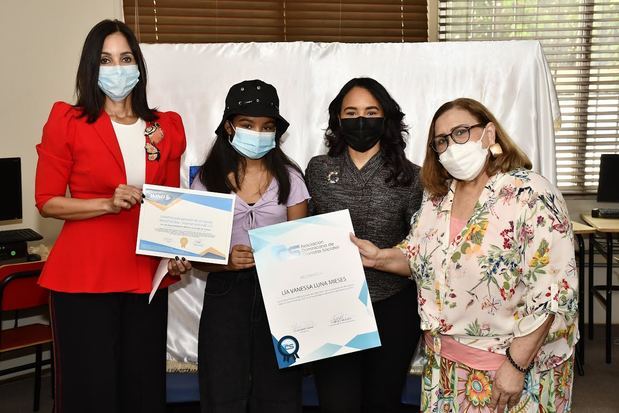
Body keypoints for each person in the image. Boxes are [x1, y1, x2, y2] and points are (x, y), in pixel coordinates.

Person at [351, 98, 578, 413]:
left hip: (513, 371)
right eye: (441, 141)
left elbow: (553, 291)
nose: (451, 147)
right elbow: (417, 257)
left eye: (460, 133)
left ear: (488, 133)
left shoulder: (530, 193)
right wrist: (377, 257)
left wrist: (516, 365)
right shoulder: (438, 196)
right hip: (445, 367)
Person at [34, 20, 187, 413]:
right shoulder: (68, 121)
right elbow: (47, 201)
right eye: (105, 59)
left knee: (142, 389)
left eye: (125, 58)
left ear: (138, 65)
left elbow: (170, 204)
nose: (117, 68)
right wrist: (106, 202)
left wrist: (177, 254)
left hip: (144, 276)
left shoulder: (164, 127)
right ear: (91, 67)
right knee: (91, 391)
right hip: (84, 277)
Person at [187, 79, 309, 413]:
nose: (257, 133)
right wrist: (223, 260)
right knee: (222, 384)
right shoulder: (206, 181)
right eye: (247, 124)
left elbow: (301, 247)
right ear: (229, 126)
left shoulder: (290, 179)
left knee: (280, 387)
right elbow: (195, 254)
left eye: (266, 126)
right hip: (225, 292)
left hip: (280, 294)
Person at [305, 77, 423, 413]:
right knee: (336, 402)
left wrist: (384, 258)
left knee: (381, 402)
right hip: (332, 306)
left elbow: (422, 247)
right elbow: (302, 233)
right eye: (351, 112)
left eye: (371, 111)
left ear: (386, 118)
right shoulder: (318, 169)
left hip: (392, 306)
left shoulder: (412, 176)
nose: (361, 120)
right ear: (338, 120)